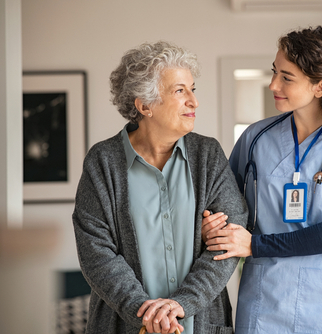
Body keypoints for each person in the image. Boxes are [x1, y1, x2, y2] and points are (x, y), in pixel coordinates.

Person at [202, 26, 322, 333]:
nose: (273, 84)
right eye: (275, 72)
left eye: (287, 77)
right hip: (265, 300)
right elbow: (225, 205)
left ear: (320, 87)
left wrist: (254, 245)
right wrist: (214, 224)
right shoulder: (255, 139)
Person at [72, 41, 247, 334]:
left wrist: (182, 304)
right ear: (144, 105)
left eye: (193, 89)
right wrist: (146, 314)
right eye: (180, 91)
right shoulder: (102, 162)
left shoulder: (208, 155)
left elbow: (229, 240)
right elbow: (96, 253)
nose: (194, 101)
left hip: (200, 324)